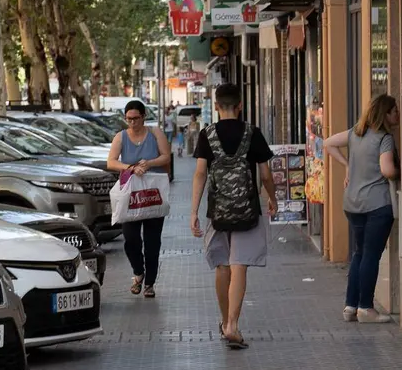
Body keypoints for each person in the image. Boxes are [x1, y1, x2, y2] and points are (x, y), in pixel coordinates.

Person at [190, 84, 276, 350]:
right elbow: (265, 175)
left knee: (222, 265)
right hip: (248, 210)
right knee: (239, 264)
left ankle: (223, 320)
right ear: (240, 106)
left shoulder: (207, 134)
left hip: (217, 211)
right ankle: (233, 325)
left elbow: (200, 174)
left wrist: (193, 211)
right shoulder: (253, 133)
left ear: (216, 106)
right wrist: (272, 198)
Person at [324, 94, 399, 324]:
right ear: (385, 114)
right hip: (376, 204)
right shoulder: (384, 138)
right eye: (394, 111)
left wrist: (348, 165)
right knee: (371, 255)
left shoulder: (356, 133)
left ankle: (350, 306)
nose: (397, 114)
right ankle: (366, 307)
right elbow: (387, 170)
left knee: (359, 253)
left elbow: (327, 143)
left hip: (353, 203)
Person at [108, 99, 173, 297]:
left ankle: (149, 284)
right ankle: (138, 272)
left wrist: (149, 163)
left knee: (153, 242)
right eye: (128, 119)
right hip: (130, 195)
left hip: (152, 194)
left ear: (144, 117)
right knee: (131, 240)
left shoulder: (155, 133)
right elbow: (110, 162)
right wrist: (130, 167)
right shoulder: (121, 137)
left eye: (136, 118)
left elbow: (166, 156)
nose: (132, 123)